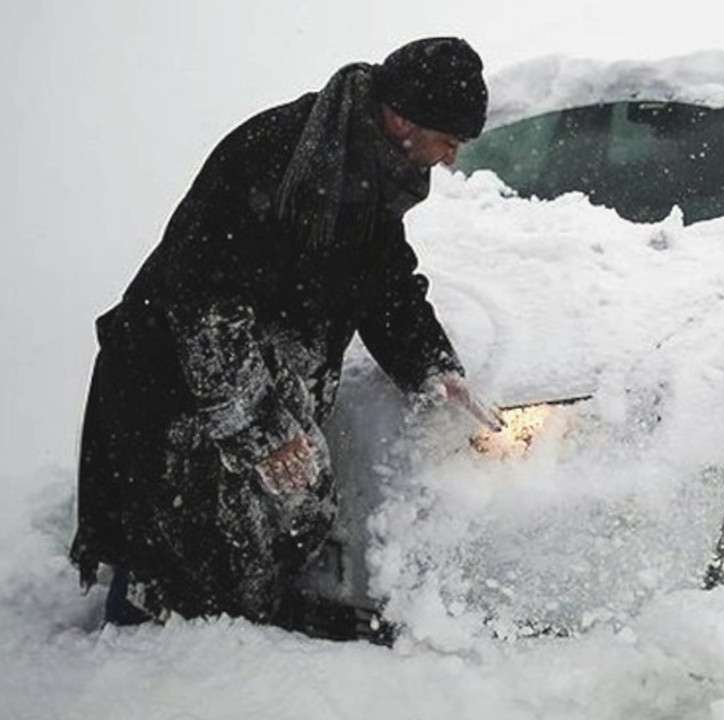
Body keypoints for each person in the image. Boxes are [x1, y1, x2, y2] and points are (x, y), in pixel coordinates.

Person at [69, 37, 500, 643]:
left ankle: (242, 642)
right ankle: (139, 664)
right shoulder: (277, 155)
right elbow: (205, 307)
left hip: (252, 377)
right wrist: (265, 428)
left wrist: (432, 364)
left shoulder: (375, 170)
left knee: (281, 519)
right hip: (177, 385)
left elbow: (383, 281)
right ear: (403, 119)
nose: (451, 159)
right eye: (449, 141)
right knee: (177, 552)